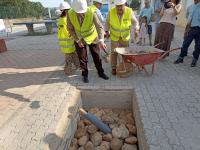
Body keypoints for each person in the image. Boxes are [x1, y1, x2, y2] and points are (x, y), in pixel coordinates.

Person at [67, 0, 109, 83]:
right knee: (82, 58)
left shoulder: (91, 12)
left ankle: (101, 73)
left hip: (92, 37)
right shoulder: (70, 13)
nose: (81, 14)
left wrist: (101, 40)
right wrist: (77, 40)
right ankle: (85, 75)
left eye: (83, 12)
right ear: (74, 10)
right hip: (79, 38)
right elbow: (70, 29)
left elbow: (99, 27)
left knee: (97, 56)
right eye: (79, 13)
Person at [105, 0, 139, 75]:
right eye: (118, 7)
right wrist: (106, 31)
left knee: (125, 53)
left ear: (125, 4)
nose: (119, 8)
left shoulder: (129, 11)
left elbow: (135, 22)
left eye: (121, 6)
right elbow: (107, 22)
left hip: (125, 37)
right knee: (114, 53)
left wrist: (136, 29)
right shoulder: (111, 12)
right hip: (114, 37)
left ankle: (125, 66)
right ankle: (113, 68)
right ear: (115, 6)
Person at [174, 0, 200, 67]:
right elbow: (187, 16)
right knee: (185, 43)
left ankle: (195, 59)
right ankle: (181, 57)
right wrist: (188, 27)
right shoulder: (190, 7)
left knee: (198, 46)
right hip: (191, 28)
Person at [57, 2, 79, 75]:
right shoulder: (66, 19)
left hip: (64, 42)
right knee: (70, 56)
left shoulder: (60, 19)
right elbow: (71, 29)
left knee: (72, 55)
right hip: (69, 41)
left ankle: (77, 66)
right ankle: (68, 70)